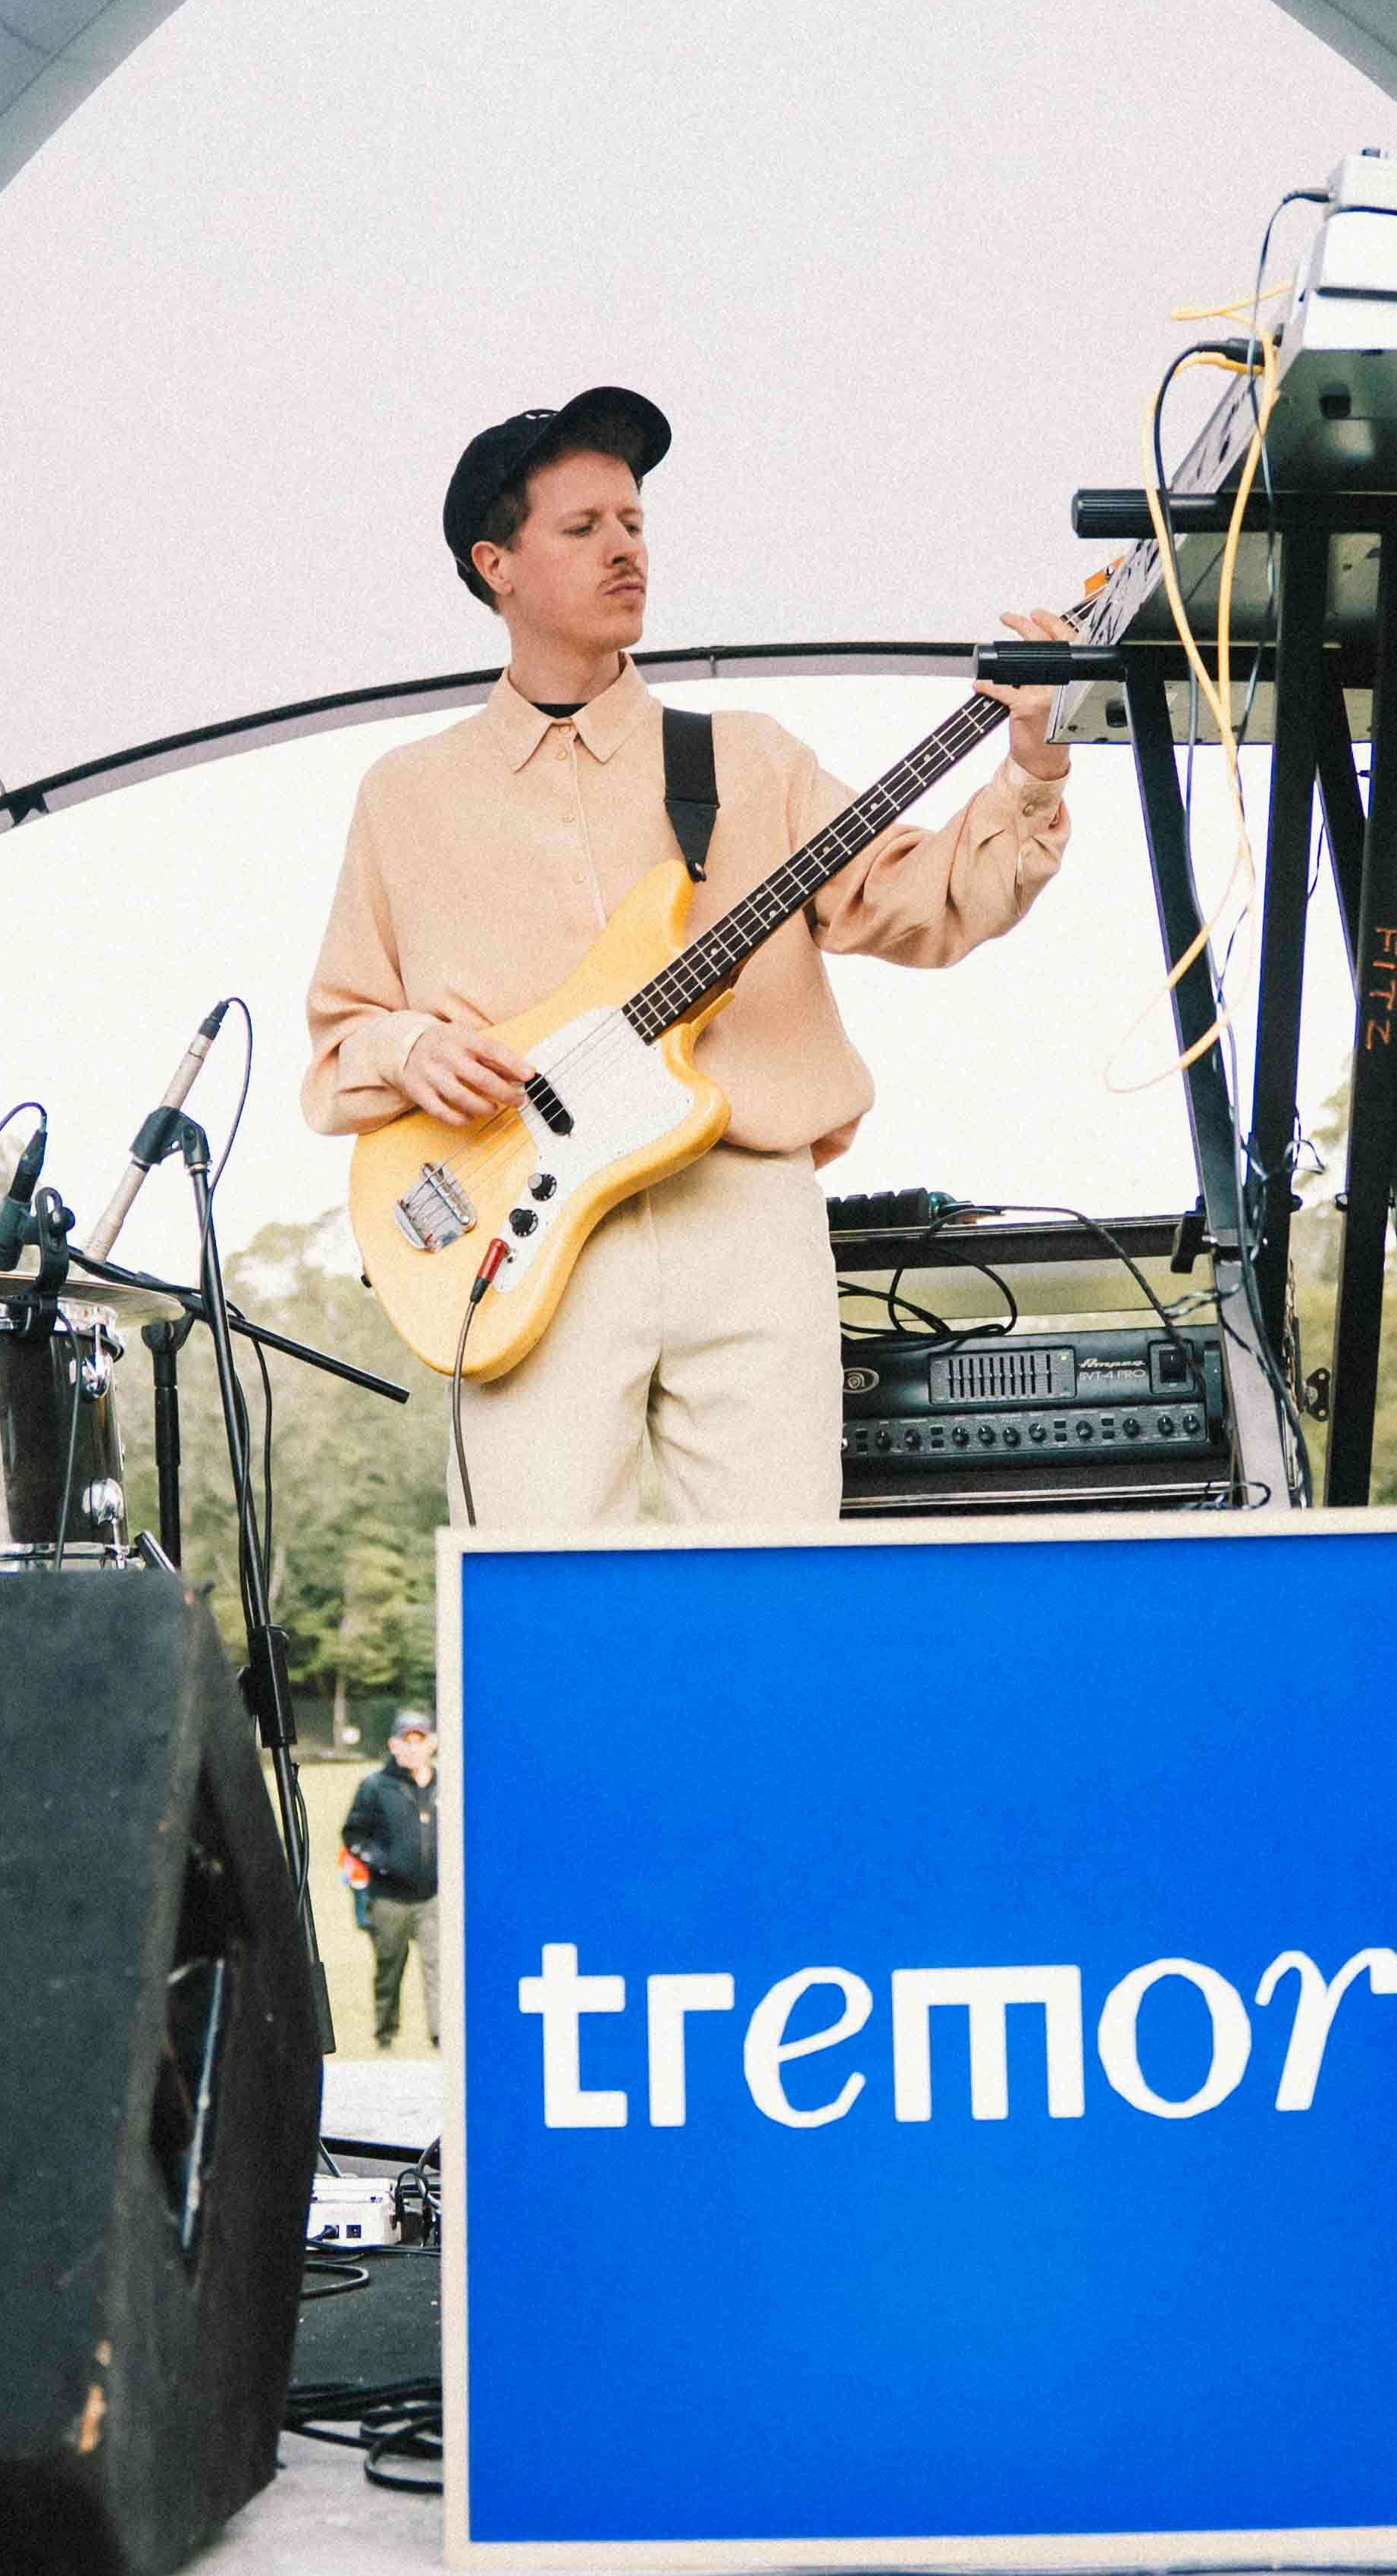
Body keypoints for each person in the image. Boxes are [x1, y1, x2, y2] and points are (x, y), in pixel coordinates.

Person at [304, 387, 1075, 1531]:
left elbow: (927, 904)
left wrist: (1030, 762)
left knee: (778, 1596)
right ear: (495, 564)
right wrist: (411, 1047)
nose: (625, 548)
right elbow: (339, 1042)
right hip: (522, 1233)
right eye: (583, 528)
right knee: (545, 1609)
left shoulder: (742, 758)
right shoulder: (406, 795)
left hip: (745, 1219)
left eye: (634, 521)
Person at [340, 1712, 442, 2052]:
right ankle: (385, 2032)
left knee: (439, 1966)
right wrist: (382, 1863)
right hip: (390, 1898)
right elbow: (353, 1835)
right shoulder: (375, 1787)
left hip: (433, 1897)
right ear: (393, 1745)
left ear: (432, 1743)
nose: (413, 1749)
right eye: (406, 1742)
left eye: (420, 1741)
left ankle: (440, 2034)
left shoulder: (448, 1786)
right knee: (388, 1969)